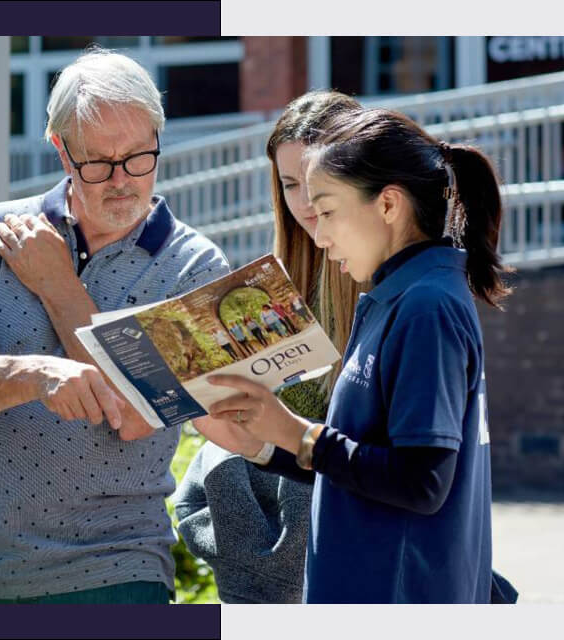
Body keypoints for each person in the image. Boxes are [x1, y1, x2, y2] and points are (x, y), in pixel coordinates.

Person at [0, 48, 228, 604]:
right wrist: (33, 375)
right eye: (98, 163)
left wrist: (58, 286)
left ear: (157, 137)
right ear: (61, 150)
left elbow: (135, 415)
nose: (122, 181)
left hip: (118, 573)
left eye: (139, 157)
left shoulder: (197, 269)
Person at [194, 106, 512, 603]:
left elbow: (423, 482)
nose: (319, 236)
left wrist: (296, 432)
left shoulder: (427, 306)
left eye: (327, 212)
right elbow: (358, 463)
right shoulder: (398, 297)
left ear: (388, 205)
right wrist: (262, 445)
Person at [174, 91, 364, 603]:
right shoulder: (280, 281)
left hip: (336, 533)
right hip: (266, 513)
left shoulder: (381, 284)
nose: (303, 203)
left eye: (314, 181)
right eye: (289, 184)